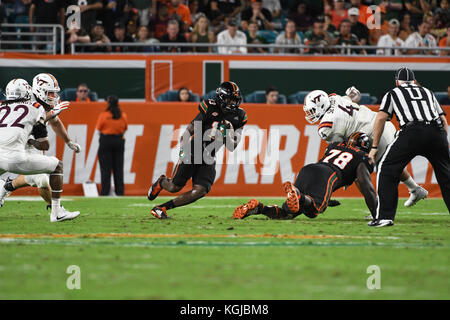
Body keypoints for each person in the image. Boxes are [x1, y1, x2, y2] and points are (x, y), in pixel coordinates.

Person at [303, 88, 428, 208]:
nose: (310, 114)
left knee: (357, 170)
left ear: (321, 106)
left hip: (373, 135)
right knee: (391, 165)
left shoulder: (327, 126)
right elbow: (353, 98)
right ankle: (415, 189)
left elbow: (339, 151)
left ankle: (376, 207)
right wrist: (354, 95)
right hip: (382, 124)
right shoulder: (334, 98)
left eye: (312, 110)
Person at [147, 81, 248, 219]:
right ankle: (161, 182)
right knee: (174, 187)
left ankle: (162, 208)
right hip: (193, 150)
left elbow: (232, 146)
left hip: (209, 155)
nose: (233, 103)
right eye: (230, 99)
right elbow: (190, 129)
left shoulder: (240, 116)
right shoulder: (210, 107)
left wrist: (229, 133)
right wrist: (183, 148)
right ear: (222, 98)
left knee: (200, 190)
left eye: (235, 100)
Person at [368, 67, 450, 227]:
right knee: (446, 175)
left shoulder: (393, 93)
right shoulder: (427, 91)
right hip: (436, 132)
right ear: (413, 81)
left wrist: (374, 146)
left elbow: (380, 119)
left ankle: (385, 216)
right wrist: (443, 142)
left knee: (386, 167)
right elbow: (444, 121)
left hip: (412, 132)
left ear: (397, 81)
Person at [233, 133, 377, 220]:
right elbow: (366, 186)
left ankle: (259, 208)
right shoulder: (362, 157)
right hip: (328, 174)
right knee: (315, 210)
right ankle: (298, 195)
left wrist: (328, 200)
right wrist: (378, 213)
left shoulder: (335, 146)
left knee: (288, 213)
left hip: (308, 169)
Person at [0, 79, 79, 222]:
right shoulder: (34, 105)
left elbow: (54, 122)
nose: (53, 97)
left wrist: (68, 141)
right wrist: (50, 114)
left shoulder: (4, 106)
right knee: (48, 173)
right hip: (19, 149)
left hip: (7, 149)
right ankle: (57, 211)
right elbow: (43, 134)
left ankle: (7, 186)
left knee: (40, 179)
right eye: (50, 93)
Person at [96, 95, 128, 196]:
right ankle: (120, 192)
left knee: (105, 169)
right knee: (118, 168)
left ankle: (105, 193)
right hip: (119, 141)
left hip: (106, 141)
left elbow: (99, 129)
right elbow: (125, 128)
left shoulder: (104, 115)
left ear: (108, 103)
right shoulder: (122, 115)